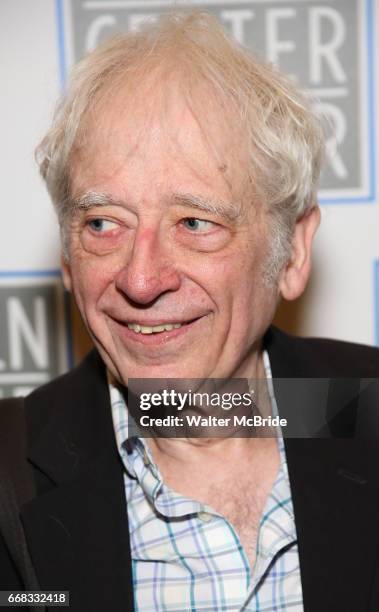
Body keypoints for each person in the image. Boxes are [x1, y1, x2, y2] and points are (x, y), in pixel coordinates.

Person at [1, 11, 379, 612]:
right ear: (68, 257)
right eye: (103, 223)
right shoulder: (8, 478)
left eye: (196, 223)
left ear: (292, 251)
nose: (141, 278)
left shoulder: (367, 410)